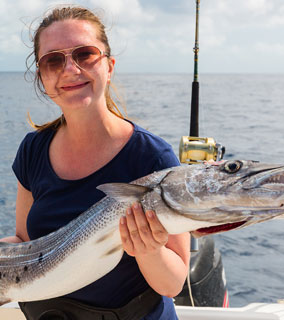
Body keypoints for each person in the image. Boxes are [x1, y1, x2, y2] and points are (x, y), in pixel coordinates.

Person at [2, 5, 190, 320]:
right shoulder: (32, 149)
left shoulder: (152, 157)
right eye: (53, 60)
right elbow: (24, 241)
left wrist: (150, 250)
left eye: (85, 54)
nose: (70, 69)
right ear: (42, 77)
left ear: (109, 65)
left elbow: (172, 283)